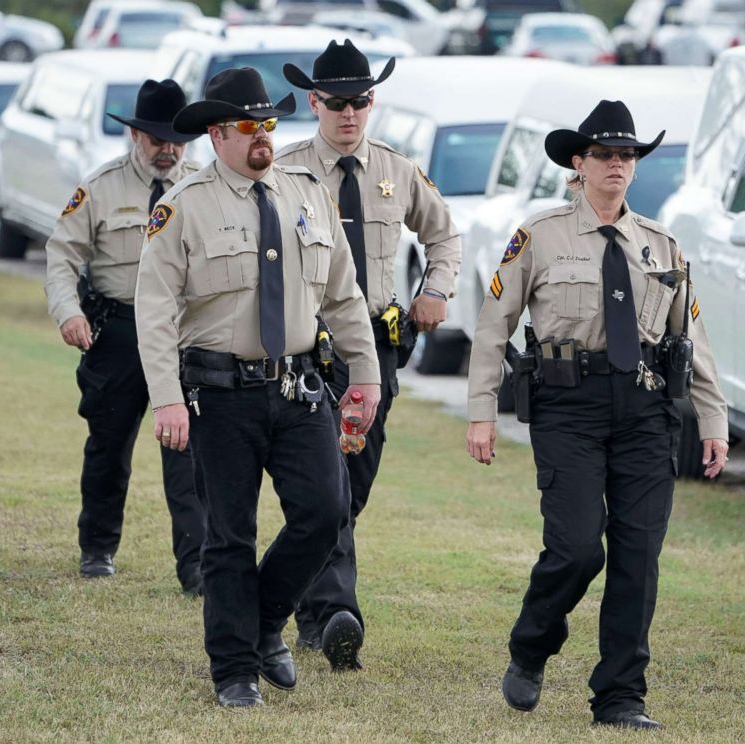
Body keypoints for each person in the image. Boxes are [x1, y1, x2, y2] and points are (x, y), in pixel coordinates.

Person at [465, 100, 729, 731]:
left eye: (627, 155)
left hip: (644, 413)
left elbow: (692, 337)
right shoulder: (540, 235)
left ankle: (619, 697)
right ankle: (531, 645)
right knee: (579, 548)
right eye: (605, 155)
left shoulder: (660, 246)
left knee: (638, 556)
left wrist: (712, 422)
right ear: (577, 165)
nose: (617, 164)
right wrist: (480, 412)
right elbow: (492, 326)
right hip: (568, 408)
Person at [135, 67, 381, 708]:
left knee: (326, 513)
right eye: (248, 126)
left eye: (269, 123)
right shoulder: (182, 206)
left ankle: (267, 620)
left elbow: (345, 295)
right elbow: (154, 308)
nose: (262, 136)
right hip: (218, 394)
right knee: (229, 537)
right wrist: (166, 397)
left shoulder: (307, 193)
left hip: (299, 388)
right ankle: (235, 670)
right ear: (217, 135)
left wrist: (366, 375)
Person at [278, 38, 462, 669]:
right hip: (310, 353)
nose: (349, 114)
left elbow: (445, 235)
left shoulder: (397, 170)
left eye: (360, 101)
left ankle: (297, 589)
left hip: (376, 356)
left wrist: (434, 292)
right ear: (314, 102)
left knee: (350, 487)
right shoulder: (286, 171)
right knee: (326, 480)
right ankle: (335, 616)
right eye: (337, 103)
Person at [44, 79, 206, 594]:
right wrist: (69, 312)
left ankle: (197, 567)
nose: (169, 150)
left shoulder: (202, 187)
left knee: (188, 455)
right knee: (109, 446)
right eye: (158, 138)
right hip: (116, 331)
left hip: (182, 337)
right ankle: (97, 548)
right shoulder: (100, 188)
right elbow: (61, 256)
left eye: (178, 139)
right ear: (135, 135)